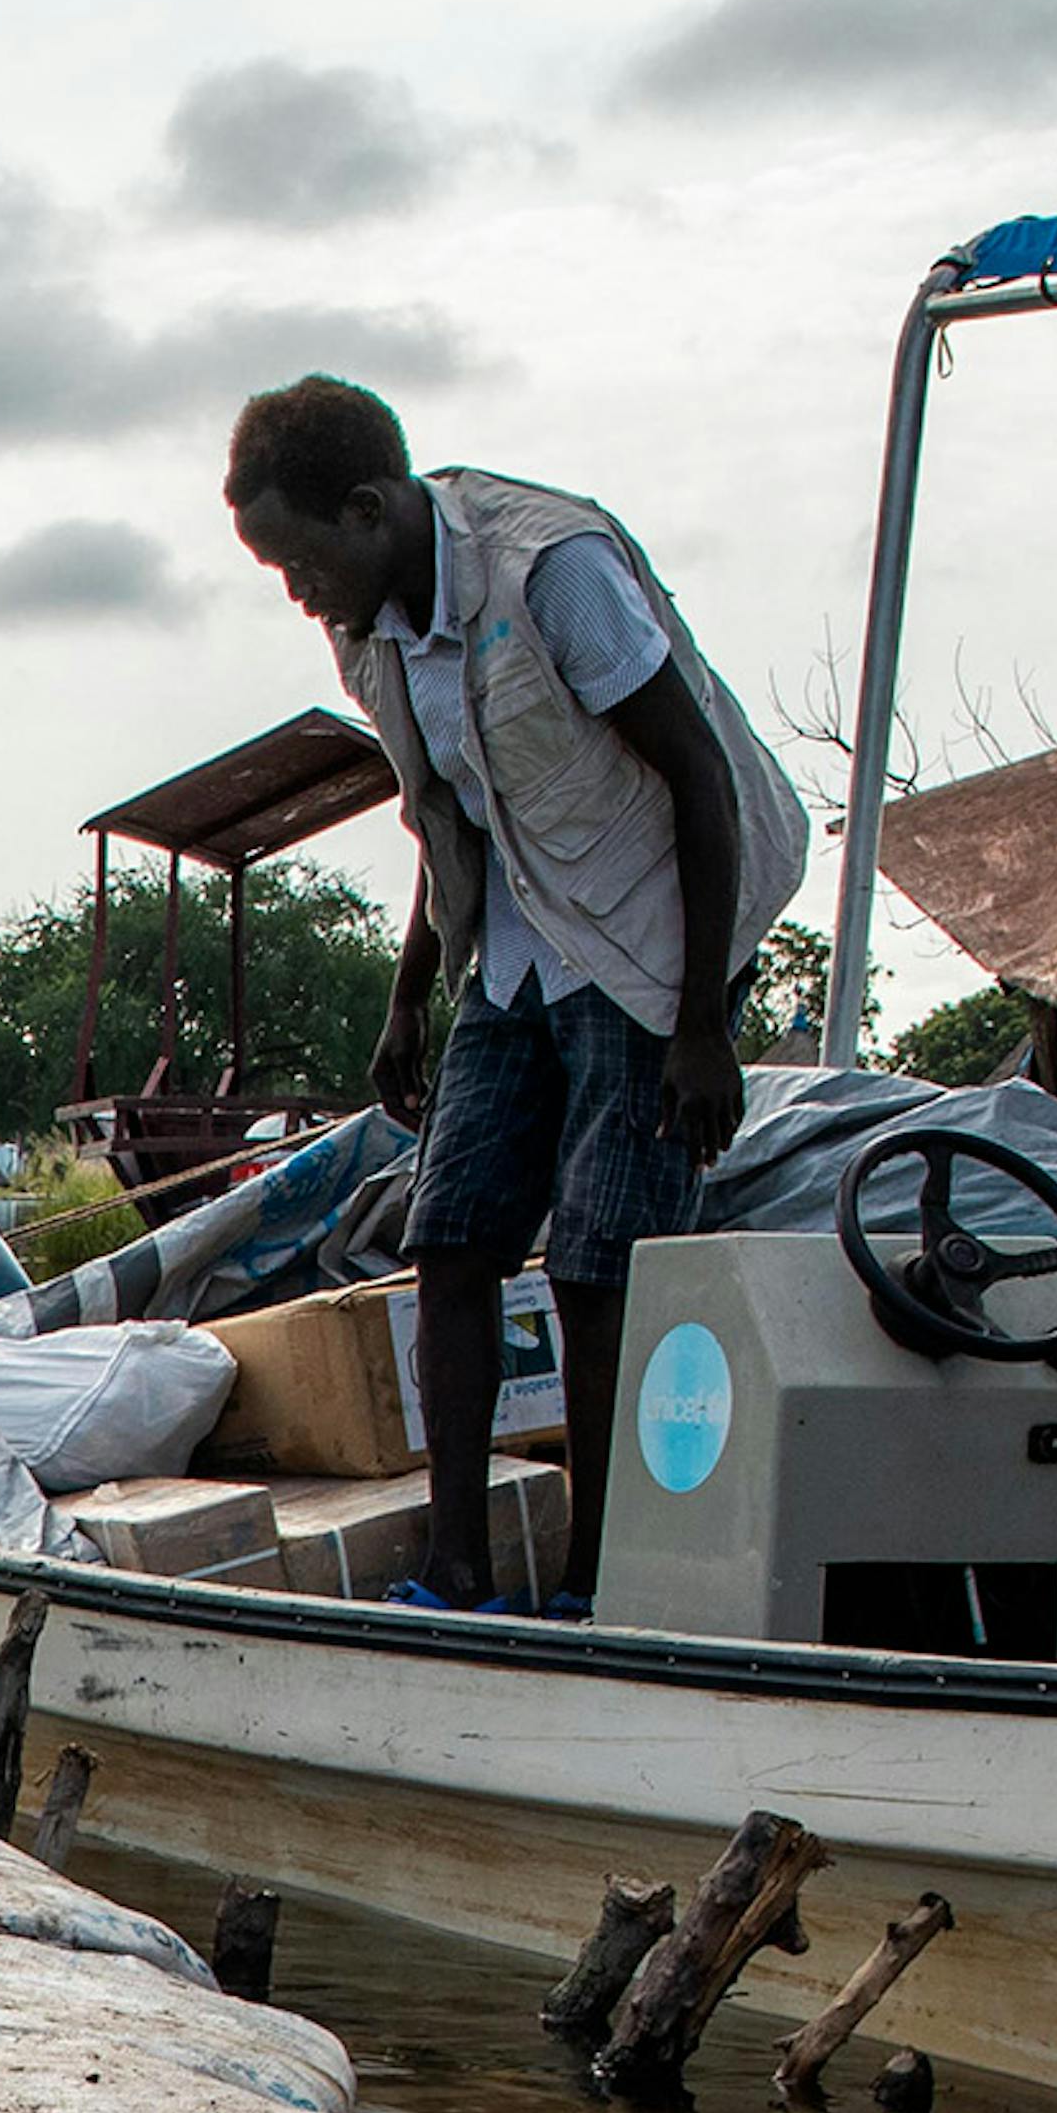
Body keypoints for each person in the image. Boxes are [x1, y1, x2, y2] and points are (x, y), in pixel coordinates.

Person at [221, 373, 807, 1616]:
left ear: (371, 510)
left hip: (656, 936)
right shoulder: (368, 627)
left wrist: (701, 1023)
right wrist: (407, 995)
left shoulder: (551, 571)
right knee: (450, 1235)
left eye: (297, 560)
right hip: (520, 941)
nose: (294, 593)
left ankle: (597, 1587)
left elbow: (698, 778)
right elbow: (446, 818)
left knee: (600, 1261)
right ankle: (456, 1571)